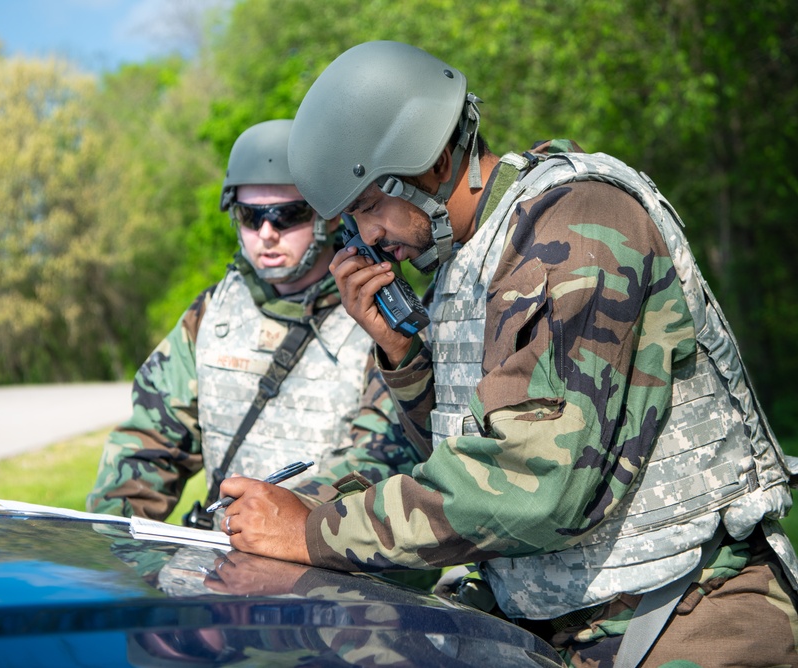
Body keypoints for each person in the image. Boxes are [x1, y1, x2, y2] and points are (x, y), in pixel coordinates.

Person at [216, 41, 798, 666]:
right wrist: (403, 356)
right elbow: (464, 454)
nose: (367, 240)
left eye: (366, 208)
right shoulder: (466, 262)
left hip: (686, 615)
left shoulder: (578, 224)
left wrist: (310, 532)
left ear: (433, 158)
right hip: (559, 623)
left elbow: (528, 484)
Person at [87, 119, 420, 533]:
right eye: (250, 215)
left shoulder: (380, 316)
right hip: (226, 570)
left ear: (330, 216)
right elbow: (149, 445)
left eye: (287, 215)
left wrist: (283, 519)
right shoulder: (212, 313)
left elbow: (386, 459)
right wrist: (105, 541)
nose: (266, 233)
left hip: (338, 573)